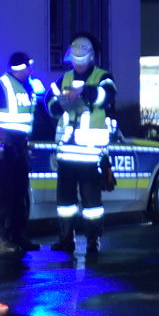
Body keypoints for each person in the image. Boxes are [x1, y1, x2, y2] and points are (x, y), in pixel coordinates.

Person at [47, 35, 116, 256]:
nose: (77, 64)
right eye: (74, 60)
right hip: (66, 154)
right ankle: (66, 238)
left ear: (90, 58)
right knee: (65, 202)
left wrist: (84, 92)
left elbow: (107, 96)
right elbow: (48, 102)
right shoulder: (64, 78)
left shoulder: (102, 77)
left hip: (90, 154)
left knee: (92, 204)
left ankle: (93, 241)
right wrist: (58, 105)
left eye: (81, 60)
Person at [0, 52, 45, 255]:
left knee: (20, 194)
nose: (31, 70)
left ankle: (18, 235)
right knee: (3, 194)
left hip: (20, 147)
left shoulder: (28, 86)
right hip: (3, 148)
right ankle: (1, 237)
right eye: (28, 67)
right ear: (19, 68)